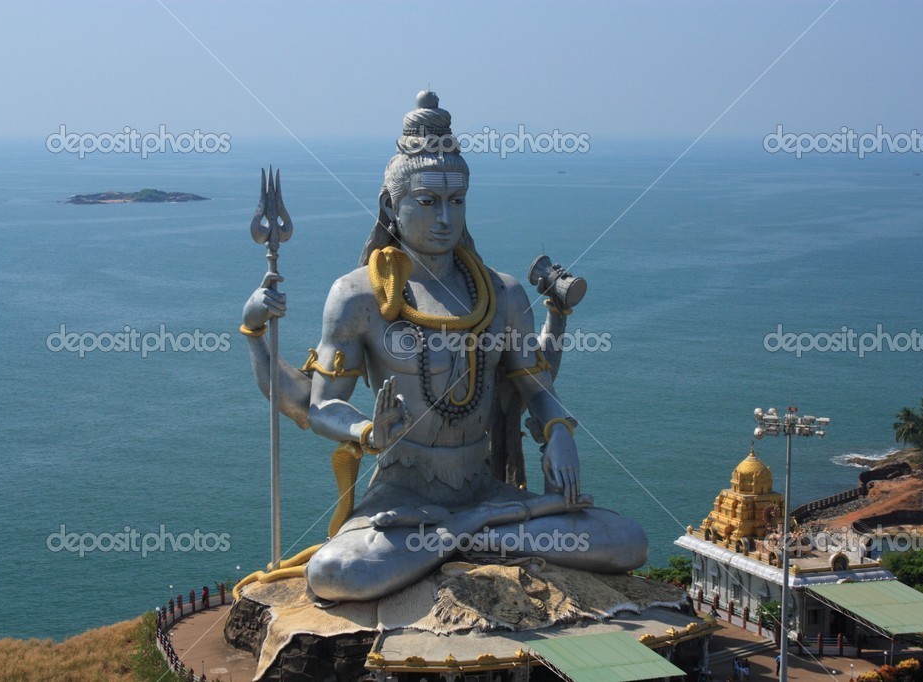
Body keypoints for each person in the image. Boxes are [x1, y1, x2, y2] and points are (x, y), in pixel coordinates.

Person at [241, 92, 648, 602]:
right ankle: (478, 533)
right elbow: (320, 406)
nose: (444, 218)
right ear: (391, 204)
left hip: (486, 488)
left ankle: (462, 533)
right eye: (427, 201)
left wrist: (559, 430)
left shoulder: (502, 294)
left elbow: (537, 389)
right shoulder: (359, 295)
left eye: (456, 201)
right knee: (337, 571)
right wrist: (367, 430)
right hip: (402, 499)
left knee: (627, 540)